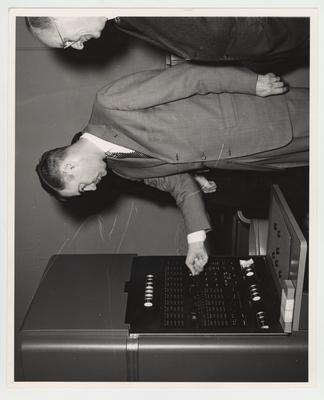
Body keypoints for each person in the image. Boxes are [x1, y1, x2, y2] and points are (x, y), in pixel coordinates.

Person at [36, 63, 309, 275]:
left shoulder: (110, 104)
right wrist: (195, 241)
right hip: (255, 158)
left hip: (262, 113)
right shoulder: (124, 170)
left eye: (83, 186)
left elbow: (189, 78)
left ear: (70, 165)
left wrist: (253, 83)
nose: (93, 188)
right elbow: (180, 185)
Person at [25, 16, 309, 64]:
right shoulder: (119, 22)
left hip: (268, 25)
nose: (79, 45)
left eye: (66, 40)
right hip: (257, 45)